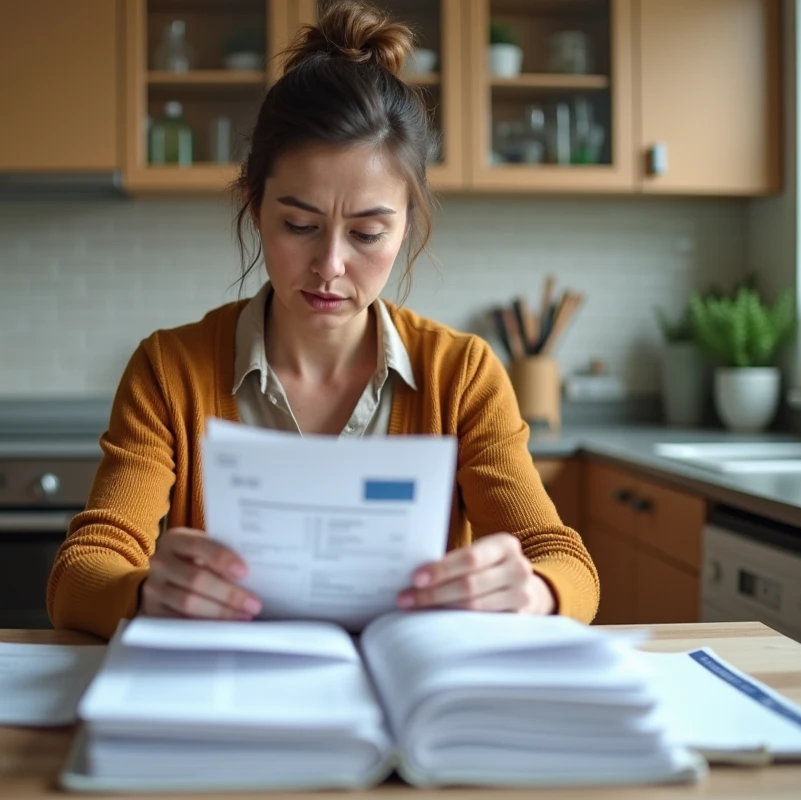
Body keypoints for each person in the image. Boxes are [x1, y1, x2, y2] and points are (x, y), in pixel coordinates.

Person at [47, 0, 598, 639]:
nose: (330, 265)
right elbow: (81, 571)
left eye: (367, 233)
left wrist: (533, 593)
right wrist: (142, 592)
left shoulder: (461, 375)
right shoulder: (171, 371)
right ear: (255, 208)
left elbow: (567, 564)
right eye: (300, 226)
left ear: (406, 229)